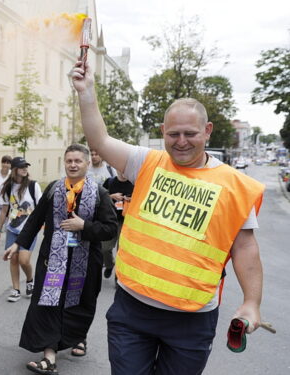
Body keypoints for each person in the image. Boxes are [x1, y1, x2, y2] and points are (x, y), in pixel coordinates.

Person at [72, 59, 265, 374]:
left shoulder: (234, 185)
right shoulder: (146, 162)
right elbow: (100, 141)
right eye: (173, 134)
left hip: (191, 319)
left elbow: (245, 248)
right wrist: (86, 92)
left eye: (190, 133)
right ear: (163, 131)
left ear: (207, 131)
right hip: (132, 309)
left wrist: (251, 302)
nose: (181, 141)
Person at [4, 144, 117, 374]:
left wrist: (83, 226)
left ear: (86, 163)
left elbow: (110, 229)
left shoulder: (99, 193)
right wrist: (18, 243)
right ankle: (49, 356)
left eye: (78, 161)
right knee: (48, 302)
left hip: (85, 263)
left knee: (80, 304)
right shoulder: (54, 189)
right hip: (52, 260)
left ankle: (78, 336)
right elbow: (35, 220)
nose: (73, 165)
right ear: (64, 163)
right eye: (69, 161)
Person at [0, 156, 42, 302]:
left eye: (26, 167)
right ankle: (15, 289)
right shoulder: (8, 187)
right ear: (14, 170)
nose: (25, 169)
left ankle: (30, 280)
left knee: (24, 260)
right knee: (13, 258)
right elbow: (4, 210)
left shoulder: (33, 186)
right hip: (13, 229)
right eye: (22, 167)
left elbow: (41, 208)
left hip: (29, 230)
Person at [100, 170, 134, 278]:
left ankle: (117, 277)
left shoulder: (134, 184)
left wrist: (131, 200)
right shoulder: (109, 182)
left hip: (126, 221)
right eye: (121, 170)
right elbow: (99, 198)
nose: (123, 173)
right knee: (105, 248)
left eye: (125, 170)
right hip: (110, 219)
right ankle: (109, 265)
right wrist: (111, 196)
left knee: (121, 251)